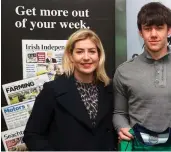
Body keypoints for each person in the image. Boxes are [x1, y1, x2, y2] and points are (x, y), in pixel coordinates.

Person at [23, 29, 117, 151]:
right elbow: (32, 135)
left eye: (92, 51)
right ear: (70, 56)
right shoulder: (52, 90)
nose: (86, 57)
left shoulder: (109, 88)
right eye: (80, 52)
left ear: (99, 56)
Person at [113, 2, 171, 150]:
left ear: (169, 30)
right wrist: (122, 127)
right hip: (139, 146)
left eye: (159, 28)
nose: (153, 34)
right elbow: (119, 113)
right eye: (147, 28)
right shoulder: (124, 71)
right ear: (140, 32)